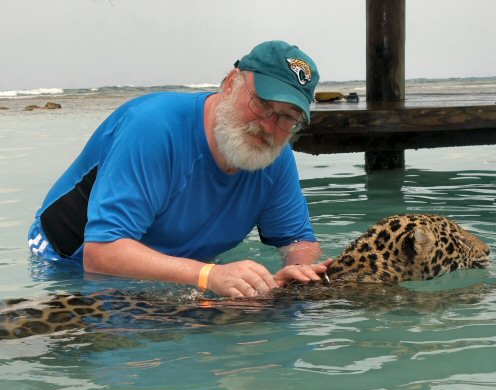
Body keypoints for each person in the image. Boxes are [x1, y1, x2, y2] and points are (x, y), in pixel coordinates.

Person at [27, 40, 330, 297]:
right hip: (67, 265)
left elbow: (297, 239)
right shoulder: (153, 127)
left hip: (185, 269)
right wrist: (210, 276)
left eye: (287, 117)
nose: (268, 125)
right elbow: (102, 253)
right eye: (262, 103)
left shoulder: (277, 158)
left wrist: (299, 268)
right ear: (229, 84)